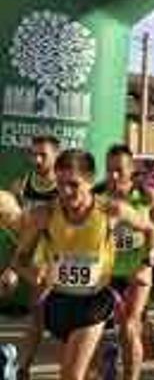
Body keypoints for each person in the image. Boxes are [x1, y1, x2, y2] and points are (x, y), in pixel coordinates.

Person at [5, 149, 154, 380]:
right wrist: (29, 274)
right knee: (84, 373)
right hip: (58, 302)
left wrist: (147, 263)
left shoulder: (110, 210)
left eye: (74, 185)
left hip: (95, 301)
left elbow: (151, 230)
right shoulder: (44, 214)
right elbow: (19, 259)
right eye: (61, 184)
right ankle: (105, 361)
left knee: (71, 375)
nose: (66, 192)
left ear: (90, 181)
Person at [94, 145, 154, 380]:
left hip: (139, 269)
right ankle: (109, 361)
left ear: (131, 170)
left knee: (128, 325)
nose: (114, 176)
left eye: (119, 170)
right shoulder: (97, 194)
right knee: (97, 330)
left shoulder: (145, 194)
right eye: (109, 170)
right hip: (107, 272)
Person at [7, 135, 60, 379]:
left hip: (57, 257)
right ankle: (23, 368)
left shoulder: (63, 187)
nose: (37, 159)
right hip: (31, 254)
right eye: (34, 154)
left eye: (43, 155)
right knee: (36, 314)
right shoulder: (24, 183)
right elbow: (17, 217)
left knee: (60, 320)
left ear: (56, 156)